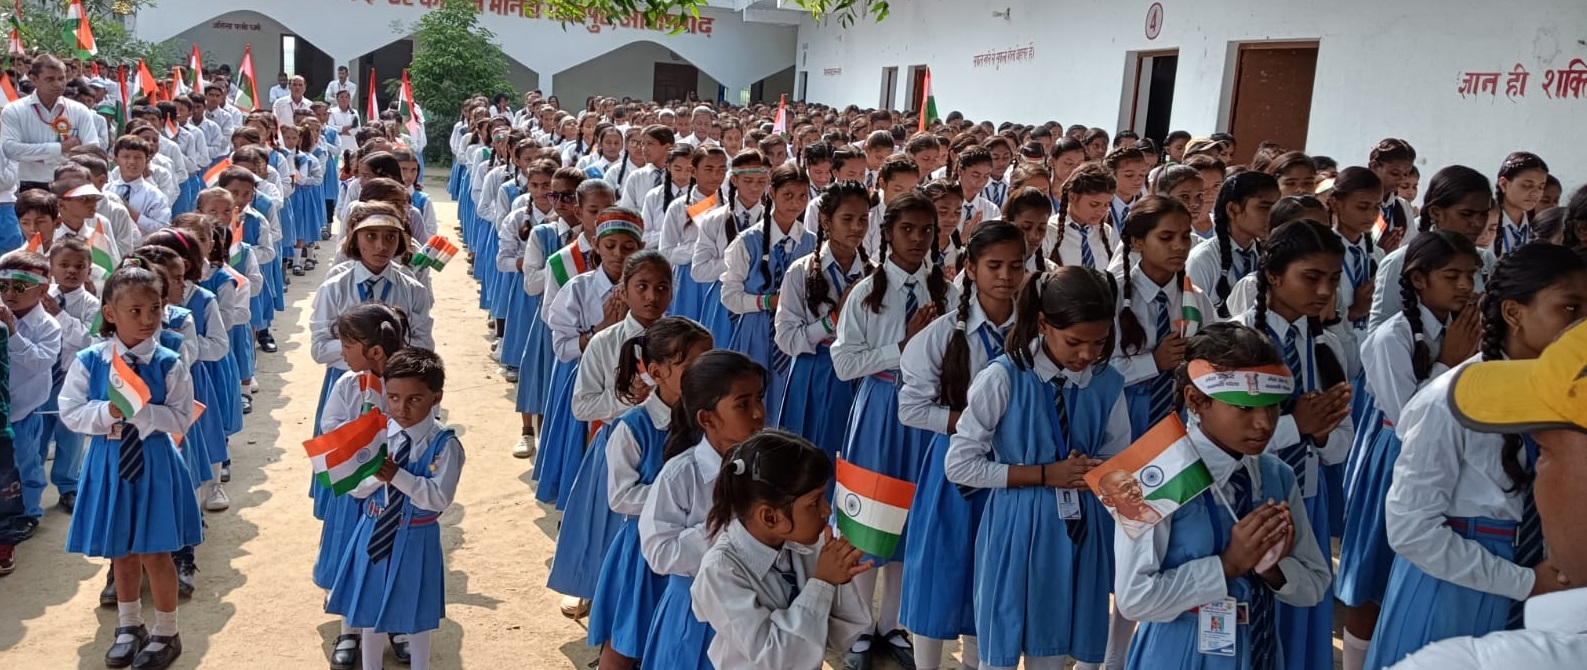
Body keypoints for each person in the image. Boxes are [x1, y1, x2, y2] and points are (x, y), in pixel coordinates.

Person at [1365, 245, 1587, 668]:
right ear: (1513, 313)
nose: (1581, 328)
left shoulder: (1567, 400)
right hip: (1454, 591)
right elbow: (1411, 529)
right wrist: (1525, 580)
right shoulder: (1447, 402)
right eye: (1569, 308)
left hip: (1538, 582)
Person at [946, 266, 1132, 670]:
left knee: (1053, 649)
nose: (1087, 355)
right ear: (1044, 324)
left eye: (1098, 343)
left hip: (1081, 529)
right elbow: (959, 464)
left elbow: (1119, 456)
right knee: (1003, 644)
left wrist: (1102, 470)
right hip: (1017, 525)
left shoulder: (1107, 382)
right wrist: (1043, 474)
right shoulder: (1003, 377)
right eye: (1075, 342)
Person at [1116, 323, 1331, 669]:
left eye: (1273, 406)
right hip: (1181, 653)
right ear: (1196, 400)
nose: (1264, 423)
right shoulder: (1150, 476)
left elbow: (1316, 583)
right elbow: (1133, 598)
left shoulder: (1277, 475)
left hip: (1259, 648)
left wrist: (1273, 570)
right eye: (1244, 408)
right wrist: (1227, 565)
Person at [1336, 230, 1482, 670]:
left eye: (1471, 276)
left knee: (1416, 573)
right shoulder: (1390, 337)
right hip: (1396, 462)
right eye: (1451, 275)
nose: (1464, 286)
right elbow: (1410, 422)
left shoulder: (1468, 328)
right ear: (1419, 280)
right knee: (1374, 575)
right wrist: (1449, 364)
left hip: (1453, 463)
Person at [831, 192, 954, 670]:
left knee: (911, 518)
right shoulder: (867, 292)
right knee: (871, 518)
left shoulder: (945, 290)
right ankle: (859, 629)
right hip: (881, 409)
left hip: (926, 413)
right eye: (907, 229)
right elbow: (843, 364)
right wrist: (902, 348)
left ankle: (893, 623)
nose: (918, 239)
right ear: (888, 233)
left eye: (926, 230)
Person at [62, 262, 202, 670]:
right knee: (120, 551)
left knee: (156, 553)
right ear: (110, 313)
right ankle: (129, 625)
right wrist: (108, 410)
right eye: (135, 311)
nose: (147, 319)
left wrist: (142, 414)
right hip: (108, 463)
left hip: (155, 462)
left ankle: (166, 631)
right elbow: (71, 411)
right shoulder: (90, 361)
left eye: (155, 309)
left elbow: (180, 417)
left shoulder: (168, 362)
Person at [898, 222, 1026, 670]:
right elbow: (910, 409)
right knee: (939, 568)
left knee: (990, 572)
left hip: (1012, 467)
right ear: (969, 268)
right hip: (953, 465)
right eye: (993, 265)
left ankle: (977, 661)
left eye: (1016, 266)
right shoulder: (940, 335)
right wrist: (972, 423)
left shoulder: (1032, 336)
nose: (1005, 276)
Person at [1236, 219, 1354, 670]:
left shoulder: (1327, 349)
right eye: (1311, 277)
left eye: (1333, 279)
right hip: (1244, 502)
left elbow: (1340, 446)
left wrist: (1321, 433)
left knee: (1298, 612)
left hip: (1305, 496)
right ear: (1271, 275)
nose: (1324, 291)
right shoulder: (1237, 341)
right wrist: (1297, 425)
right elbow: (1215, 436)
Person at [324, 348, 463, 670]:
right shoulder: (379, 432)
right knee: (370, 610)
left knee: (415, 613)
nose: (402, 408)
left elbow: (438, 498)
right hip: (373, 530)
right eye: (394, 397)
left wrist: (396, 476)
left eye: (414, 399)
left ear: (436, 396)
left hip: (417, 536)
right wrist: (374, 476)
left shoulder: (445, 444)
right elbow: (355, 488)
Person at [585, 317, 711, 670]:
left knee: (673, 643)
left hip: (693, 550)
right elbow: (620, 496)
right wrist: (674, 495)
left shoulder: (709, 421)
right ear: (657, 372)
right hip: (644, 552)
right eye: (692, 366)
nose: (706, 374)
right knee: (626, 642)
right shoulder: (633, 427)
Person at [691, 430, 874, 669]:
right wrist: (822, 584)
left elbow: (843, 634)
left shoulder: (808, 545)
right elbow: (776, 657)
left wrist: (838, 577)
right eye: (814, 502)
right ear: (769, 517)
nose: (827, 511)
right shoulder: (720, 571)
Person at [640, 349, 766, 669]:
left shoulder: (770, 465)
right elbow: (659, 551)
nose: (758, 413)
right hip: (694, 614)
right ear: (707, 418)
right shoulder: (680, 474)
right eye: (743, 404)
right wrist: (731, 527)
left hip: (756, 609)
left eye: (759, 399)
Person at [313, 303, 408, 669]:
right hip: (353, 486)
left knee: (391, 556)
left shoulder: (405, 384)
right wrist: (359, 442)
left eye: (348, 346)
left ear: (376, 352)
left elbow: (420, 425)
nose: (342, 353)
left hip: (392, 489)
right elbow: (330, 425)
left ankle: (396, 627)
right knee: (349, 560)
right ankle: (349, 629)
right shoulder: (346, 384)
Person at [775, 181, 873, 463]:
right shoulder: (800, 272)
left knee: (851, 458)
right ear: (826, 221)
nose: (856, 227)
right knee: (810, 457)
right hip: (813, 373)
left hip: (859, 373)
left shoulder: (874, 273)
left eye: (863, 219)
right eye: (847, 219)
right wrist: (832, 321)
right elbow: (787, 339)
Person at [1112, 195, 1215, 440]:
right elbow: (1091, 371)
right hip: (1121, 424)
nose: (1179, 246)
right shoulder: (1111, 297)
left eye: (1185, 237)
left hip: (1181, 428)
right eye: (1166, 237)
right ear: (1138, 242)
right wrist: (1153, 363)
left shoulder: (1197, 301)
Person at [720, 163, 814, 421]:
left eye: (803, 196)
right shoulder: (748, 241)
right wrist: (766, 302)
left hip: (796, 331)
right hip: (756, 332)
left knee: (790, 401)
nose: (796, 203)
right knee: (753, 399)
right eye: (788, 195)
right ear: (771, 193)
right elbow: (729, 296)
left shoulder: (811, 242)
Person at [1368, 166, 1496, 330]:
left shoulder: (1486, 261)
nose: (1478, 223)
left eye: (1483, 214)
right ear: (1436, 212)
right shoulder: (1399, 262)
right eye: (1466, 214)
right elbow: (1379, 340)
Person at [0, 249, 61, 530]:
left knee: (27, 464)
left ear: (42, 289)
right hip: (2, 408)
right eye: (3, 286)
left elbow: (39, 361)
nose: (10, 293)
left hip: (23, 409)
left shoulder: (47, 326)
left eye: (20, 287)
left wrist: (12, 332)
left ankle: (29, 513)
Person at [690, 148, 764, 346]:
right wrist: (737, 262)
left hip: (761, 304)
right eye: (748, 181)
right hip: (722, 301)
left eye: (761, 182)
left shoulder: (772, 222)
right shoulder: (713, 220)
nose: (755, 188)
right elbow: (698, 271)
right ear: (734, 180)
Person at [2, 55, 104, 192]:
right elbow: (11, 150)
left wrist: (35, 155)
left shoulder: (79, 110)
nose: (58, 84)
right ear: (34, 79)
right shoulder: (14, 110)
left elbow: (91, 152)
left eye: (61, 78)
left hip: (70, 186)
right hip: (28, 187)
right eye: (50, 79)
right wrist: (60, 148)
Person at [1186, 171, 1278, 317]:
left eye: (1275, 208)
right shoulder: (1201, 260)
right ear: (1232, 209)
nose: (1272, 215)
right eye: (1264, 207)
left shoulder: (1269, 257)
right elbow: (1192, 322)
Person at [1046, 164, 1118, 269]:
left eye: (1106, 204)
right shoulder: (1049, 231)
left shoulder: (1107, 233)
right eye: (1094, 204)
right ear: (1072, 197)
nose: (1102, 210)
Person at [1489, 151, 1549, 256]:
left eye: (1541, 187)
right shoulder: (1487, 224)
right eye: (1527, 185)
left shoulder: (1536, 226)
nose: (1535, 193)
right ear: (1504, 184)